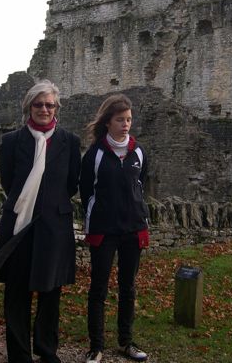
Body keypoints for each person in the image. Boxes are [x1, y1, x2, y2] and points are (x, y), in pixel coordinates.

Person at [0, 79, 81, 363]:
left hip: (54, 225)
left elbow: (71, 184)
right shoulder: (12, 142)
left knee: (50, 291)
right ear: (29, 106)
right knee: (17, 292)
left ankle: (47, 350)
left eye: (49, 105)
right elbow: (8, 181)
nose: (44, 109)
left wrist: (50, 204)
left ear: (56, 108)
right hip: (20, 226)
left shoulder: (69, 142)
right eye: (39, 104)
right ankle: (19, 355)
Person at [80, 94, 150, 363]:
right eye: (120, 119)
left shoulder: (139, 152)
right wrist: (98, 217)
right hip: (104, 230)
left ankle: (126, 342)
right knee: (98, 288)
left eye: (129, 119)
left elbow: (140, 185)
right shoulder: (94, 155)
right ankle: (96, 347)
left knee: (128, 287)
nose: (126, 124)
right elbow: (87, 190)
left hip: (132, 229)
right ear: (107, 122)